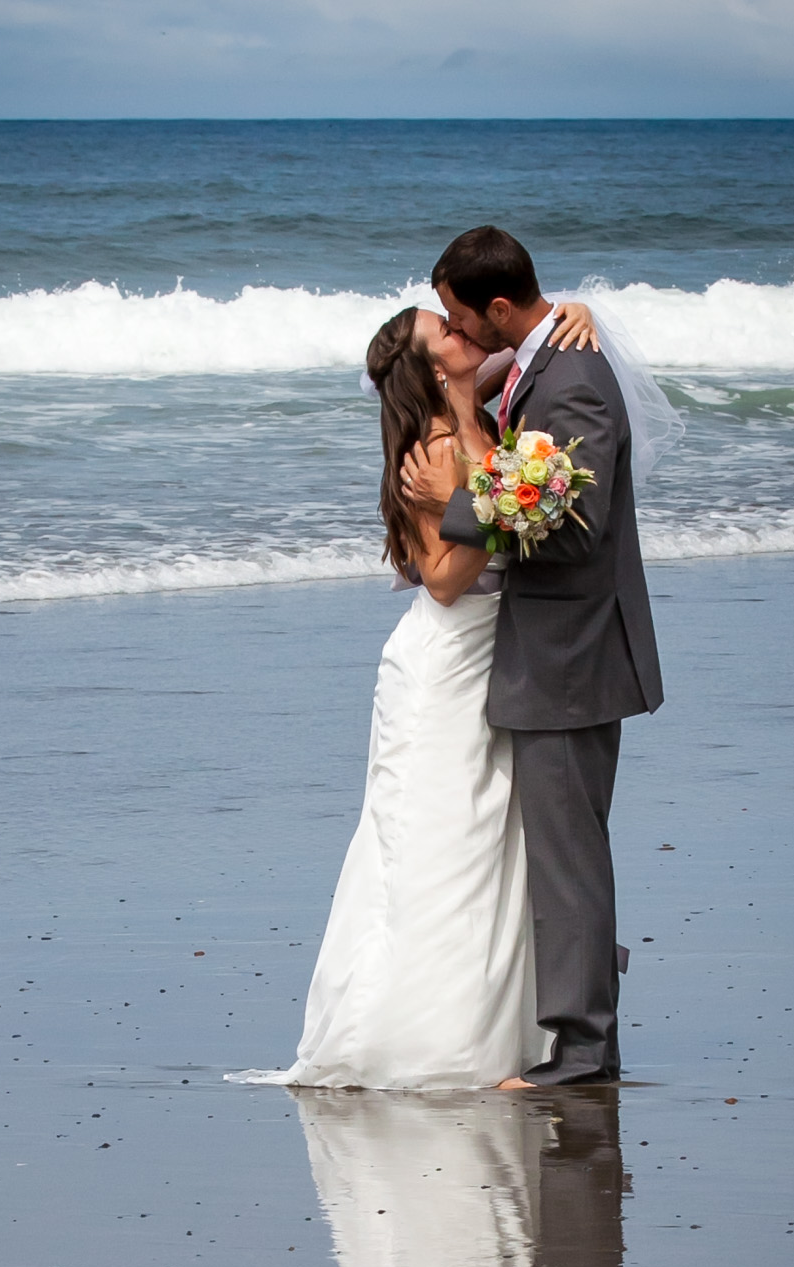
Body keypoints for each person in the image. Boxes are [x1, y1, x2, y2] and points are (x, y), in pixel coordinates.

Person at [228, 290, 600, 1091]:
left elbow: (529, 335)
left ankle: (499, 1027)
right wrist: (485, 508)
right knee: (434, 838)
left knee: (487, 842)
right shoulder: (431, 450)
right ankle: (415, 1035)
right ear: (434, 366)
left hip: (494, 657)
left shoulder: (491, 404)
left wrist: (579, 311)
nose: (464, 329)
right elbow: (438, 580)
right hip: (444, 662)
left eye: (460, 320)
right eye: (446, 329)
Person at [403, 226, 664, 1087]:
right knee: (562, 853)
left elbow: (572, 528)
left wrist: (454, 503)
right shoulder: (542, 359)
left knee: (569, 858)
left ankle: (582, 1052)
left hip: (570, 653)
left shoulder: (572, 378)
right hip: (559, 649)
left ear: (500, 308)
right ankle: (586, 1041)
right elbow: (425, 376)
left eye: (457, 315)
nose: (456, 329)